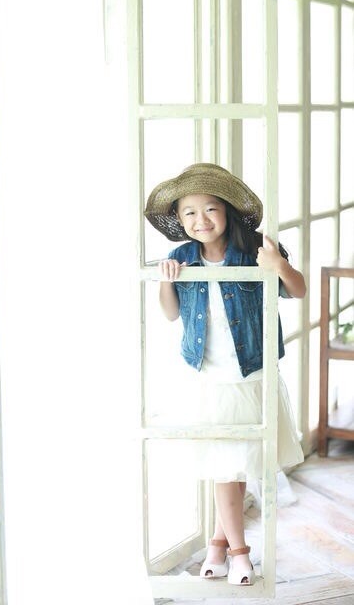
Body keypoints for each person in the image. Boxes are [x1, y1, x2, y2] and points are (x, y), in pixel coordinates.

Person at [144, 163, 306, 586]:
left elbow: (298, 289)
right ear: (179, 220)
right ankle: (239, 553)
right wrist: (164, 282)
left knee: (236, 466)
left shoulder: (256, 248)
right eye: (189, 213)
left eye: (210, 209)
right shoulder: (180, 259)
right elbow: (171, 314)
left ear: (228, 210)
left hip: (251, 375)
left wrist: (277, 264)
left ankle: (218, 545)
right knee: (225, 468)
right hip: (208, 380)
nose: (200, 220)